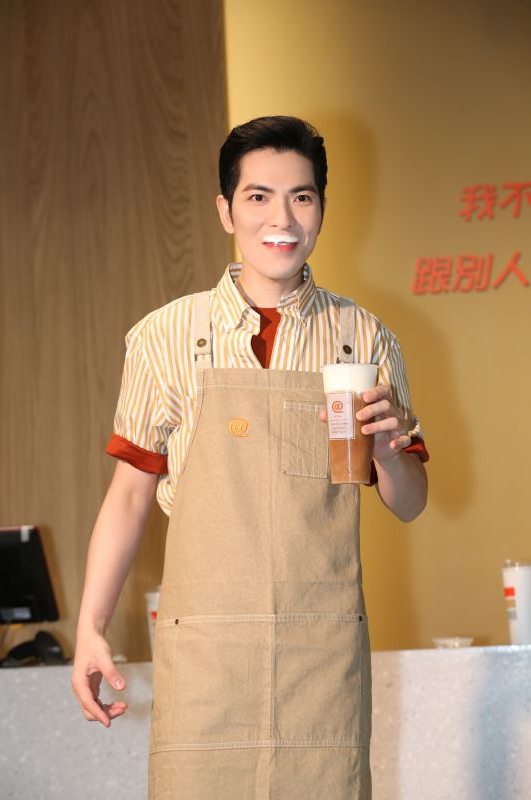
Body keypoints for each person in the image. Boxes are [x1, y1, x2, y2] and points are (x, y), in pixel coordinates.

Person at [72, 116, 428, 799]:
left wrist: (389, 449)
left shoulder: (363, 337)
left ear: (322, 207)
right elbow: (129, 495)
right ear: (225, 209)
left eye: (302, 197)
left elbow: (409, 503)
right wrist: (90, 627)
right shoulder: (165, 336)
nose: (282, 219)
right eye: (258, 196)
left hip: (321, 652)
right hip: (205, 652)